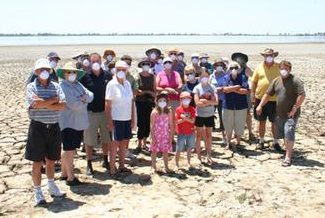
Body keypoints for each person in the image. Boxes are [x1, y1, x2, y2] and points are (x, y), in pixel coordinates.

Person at [25, 58, 66, 206]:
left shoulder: (56, 86)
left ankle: (51, 185)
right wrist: (52, 101)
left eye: (47, 70)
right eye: (41, 70)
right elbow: (34, 104)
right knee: (37, 161)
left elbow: (62, 105)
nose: (44, 72)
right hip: (38, 127)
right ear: (36, 72)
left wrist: (43, 103)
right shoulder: (31, 87)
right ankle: (37, 192)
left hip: (54, 126)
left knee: (51, 160)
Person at [256, 60, 305, 166]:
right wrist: (260, 105)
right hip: (279, 114)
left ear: (290, 70)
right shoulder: (276, 81)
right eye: (282, 68)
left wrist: (295, 107)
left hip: (291, 114)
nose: (283, 71)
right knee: (283, 134)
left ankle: (288, 157)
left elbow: (302, 95)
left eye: (286, 69)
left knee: (289, 133)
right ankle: (287, 151)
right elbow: (267, 94)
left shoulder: (295, 80)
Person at [57, 62, 94, 186]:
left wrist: (84, 99)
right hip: (68, 123)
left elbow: (91, 95)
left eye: (73, 72)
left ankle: (64, 173)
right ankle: (71, 178)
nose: (72, 74)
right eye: (69, 72)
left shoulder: (78, 85)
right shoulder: (62, 87)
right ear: (64, 74)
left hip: (78, 123)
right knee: (69, 150)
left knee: (69, 149)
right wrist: (84, 100)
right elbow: (74, 104)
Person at [80, 53, 113, 175]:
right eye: (93, 61)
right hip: (90, 112)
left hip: (105, 112)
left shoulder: (108, 75)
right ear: (89, 62)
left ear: (100, 62)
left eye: (97, 61)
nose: (95, 63)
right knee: (89, 140)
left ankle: (105, 160)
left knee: (106, 138)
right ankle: (89, 163)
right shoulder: (85, 77)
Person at [105, 61, 135, 175]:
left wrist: (132, 118)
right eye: (118, 69)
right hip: (116, 119)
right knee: (114, 145)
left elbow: (131, 102)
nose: (121, 72)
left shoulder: (127, 84)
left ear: (127, 71)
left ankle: (122, 165)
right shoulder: (111, 85)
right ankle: (112, 169)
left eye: (123, 69)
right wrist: (109, 122)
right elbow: (107, 104)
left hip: (126, 118)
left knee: (124, 143)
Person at [251, 48, 281, 151]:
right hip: (260, 99)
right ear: (263, 56)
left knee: (275, 122)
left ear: (274, 56)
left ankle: (276, 142)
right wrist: (253, 95)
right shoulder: (259, 67)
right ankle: (261, 141)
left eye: (271, 55)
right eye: (266, 55)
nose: (269, 57)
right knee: (261, 122)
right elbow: (254, 82)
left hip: (275, 100)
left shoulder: (279, 66)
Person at [222, 61, 250, 151]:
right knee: (228, 125)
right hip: (228, 105)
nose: (233, 69)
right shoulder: (225, 78)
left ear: (239, 69)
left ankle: (238, 142)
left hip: (241, 105)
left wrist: (231, 89)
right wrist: (237, 87)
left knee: (240, 124)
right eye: (231, 68)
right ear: (228, 69)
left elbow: (245, 91)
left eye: (235, 68)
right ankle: (228, 142)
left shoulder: (243, 78)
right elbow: (224, 89)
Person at [193, 71, 218, 164]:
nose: (204, 78)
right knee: (198, 136)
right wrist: (208, 102)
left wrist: (206, 102)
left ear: (209, 77)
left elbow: (216, 102)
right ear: (200, 77)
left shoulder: (212, 87)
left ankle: (209, 155)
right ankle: (198, 155)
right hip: (200, 115)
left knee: (209, 136)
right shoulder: (197, 88)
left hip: (210, 115)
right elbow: (197, 103)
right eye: (202, 76)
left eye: (206, 76)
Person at [231, 52, 256, 142]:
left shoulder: (246, 69)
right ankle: (235, 132)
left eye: (241, 58)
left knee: (247, 114)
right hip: (234, 94)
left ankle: (250, 132)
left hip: (245, 94)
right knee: (234, 113)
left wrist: (252, 90)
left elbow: (254, 78)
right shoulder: (232, 68)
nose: (239, 60)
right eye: (237, 58)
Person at [135, 58, 156, 153]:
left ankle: (144, 143)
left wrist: (152, 95)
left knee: (148, 122)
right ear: (141, 65)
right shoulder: (137, 76)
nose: (146, 65)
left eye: (147, 64)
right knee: (140, 123)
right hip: (140, 103)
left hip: (150, 102)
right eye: (144, 64)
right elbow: (136, 91)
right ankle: (139, 144)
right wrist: (146, 92)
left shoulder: (153, 76)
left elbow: (155, 91)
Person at [150, 92, 174, 173]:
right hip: (156, 134)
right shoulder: (154, 112)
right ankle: (153, 166)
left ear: (167, 102)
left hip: (165, 134)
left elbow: (171, 124)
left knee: (165, 151)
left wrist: (171, 137)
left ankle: (166, 166)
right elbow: (152, 125)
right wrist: (153, 137)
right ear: (156, 101)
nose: (162, 102)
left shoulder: (169, 111)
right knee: (154, 151)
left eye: (164, 100)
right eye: (160, 100)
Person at [175, 92, 196, 169]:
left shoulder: (192, 109)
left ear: (190, 99)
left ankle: (188, 162)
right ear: (181, 99)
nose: (186, 100)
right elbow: (177, 121)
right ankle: (177, 164)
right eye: (184, 98)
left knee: (189, 148)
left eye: (188, 98)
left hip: (190, 132)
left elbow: (193, 121)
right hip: (181, 132)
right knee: (179, 149)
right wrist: (186, 119)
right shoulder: (178, 109)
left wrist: (184, 118)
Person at [210, 59, 227, 143]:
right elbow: (209, 86)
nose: (219, 67)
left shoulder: (226, 75)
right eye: (217, 65)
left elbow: (227, 86)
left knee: (222, 116)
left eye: (220, 65)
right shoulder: (212, 76)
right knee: (211, 114)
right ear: (215, 66)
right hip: (213, 99)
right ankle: (211, 134)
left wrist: (220, 89)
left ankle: (224, 136)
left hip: (222, 99)